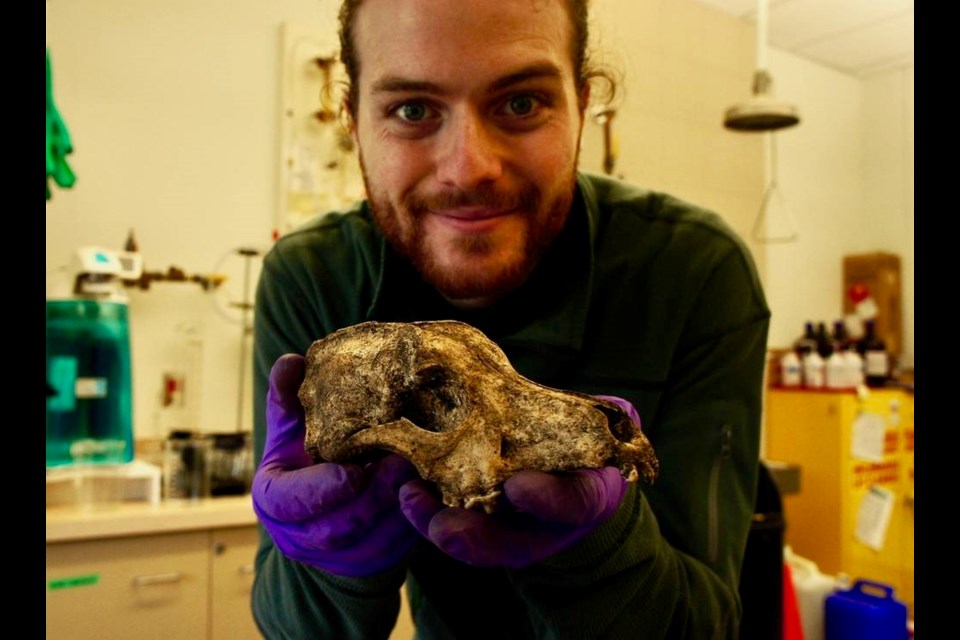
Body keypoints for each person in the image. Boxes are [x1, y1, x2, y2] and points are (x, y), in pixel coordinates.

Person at [250, 0, 771, 637]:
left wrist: (600, 550)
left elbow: (707, 625)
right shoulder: (313, 278)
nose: (469, 168)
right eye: (412, 110)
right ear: (353, 121)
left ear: (582, 106)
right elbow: (293, 628)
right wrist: (329, 564)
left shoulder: (694, 269)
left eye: (521, 103)